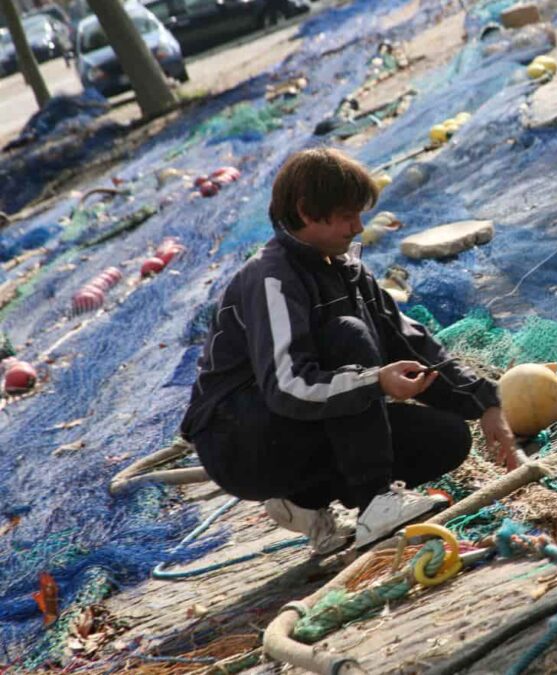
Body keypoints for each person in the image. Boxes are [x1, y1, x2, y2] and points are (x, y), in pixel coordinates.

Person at [179, 148, 517, 554]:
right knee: (347, 334)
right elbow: (287, 386)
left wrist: (484, 402)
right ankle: (376, 503)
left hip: (297, 426)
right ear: (306, 212)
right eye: (346, 216)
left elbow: (408, 342)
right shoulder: (272, 279)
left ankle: (302, 501)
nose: (358, 228)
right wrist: (375, 381)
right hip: (241, 440)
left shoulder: (348, 271)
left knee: (446, 438)